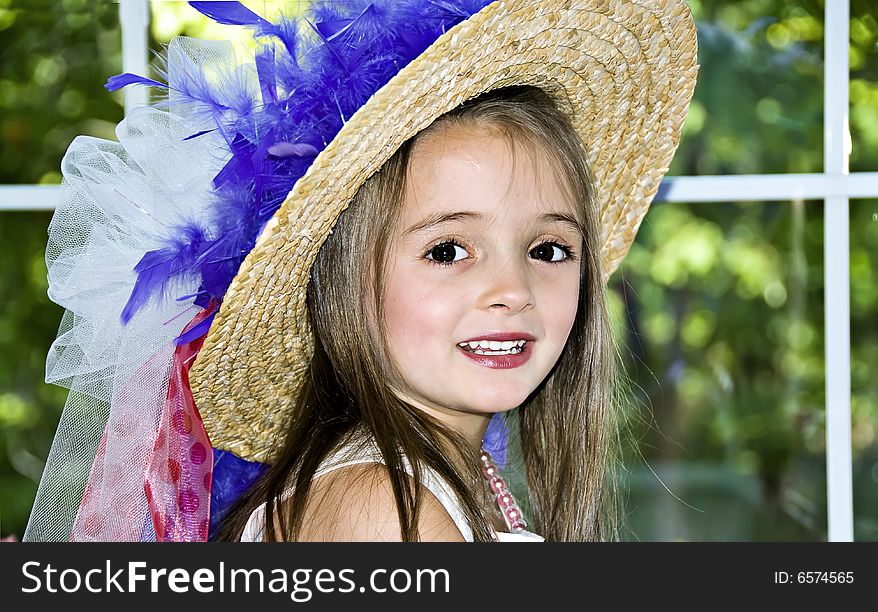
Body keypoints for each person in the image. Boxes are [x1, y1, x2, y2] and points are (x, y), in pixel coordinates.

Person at [24, 0, 698, 542]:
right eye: (447, 250)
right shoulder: (384, 510)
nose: (512, 291)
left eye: (549, 250)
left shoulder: (447, 479)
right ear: (343, 283)